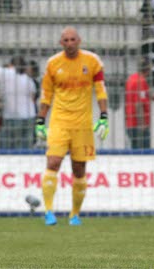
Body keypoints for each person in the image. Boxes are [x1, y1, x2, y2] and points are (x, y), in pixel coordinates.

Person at [35, 27, 110, 226]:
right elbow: (46, 95)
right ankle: (49, 212)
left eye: (72, 39)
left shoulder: (93, 62)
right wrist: (40, 120)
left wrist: (104, 116)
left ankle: (74, 214)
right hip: (59, 122)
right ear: (61, 43)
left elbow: (101, 91)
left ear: (79, 40)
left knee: (79, 170)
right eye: (66, 40)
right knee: (52, 163)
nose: (69, 43)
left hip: (83, 125)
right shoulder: (53, 64)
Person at [0, 56, 37, 149]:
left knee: (7, 147)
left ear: (11, 64)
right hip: (29, 117)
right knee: (26, 148)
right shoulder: (29, 80)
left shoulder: (5, 73)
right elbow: (32, 99)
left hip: (12, 117)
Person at [124, 59, 154, 149]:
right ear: (148, 69)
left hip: (131, 124)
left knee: (135, 153)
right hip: (138, 126)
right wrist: (142, 124)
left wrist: (152, 96)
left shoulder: (132, 79)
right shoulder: (141, 82)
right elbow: (138, 104)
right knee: (144, 155)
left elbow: (141, 94)